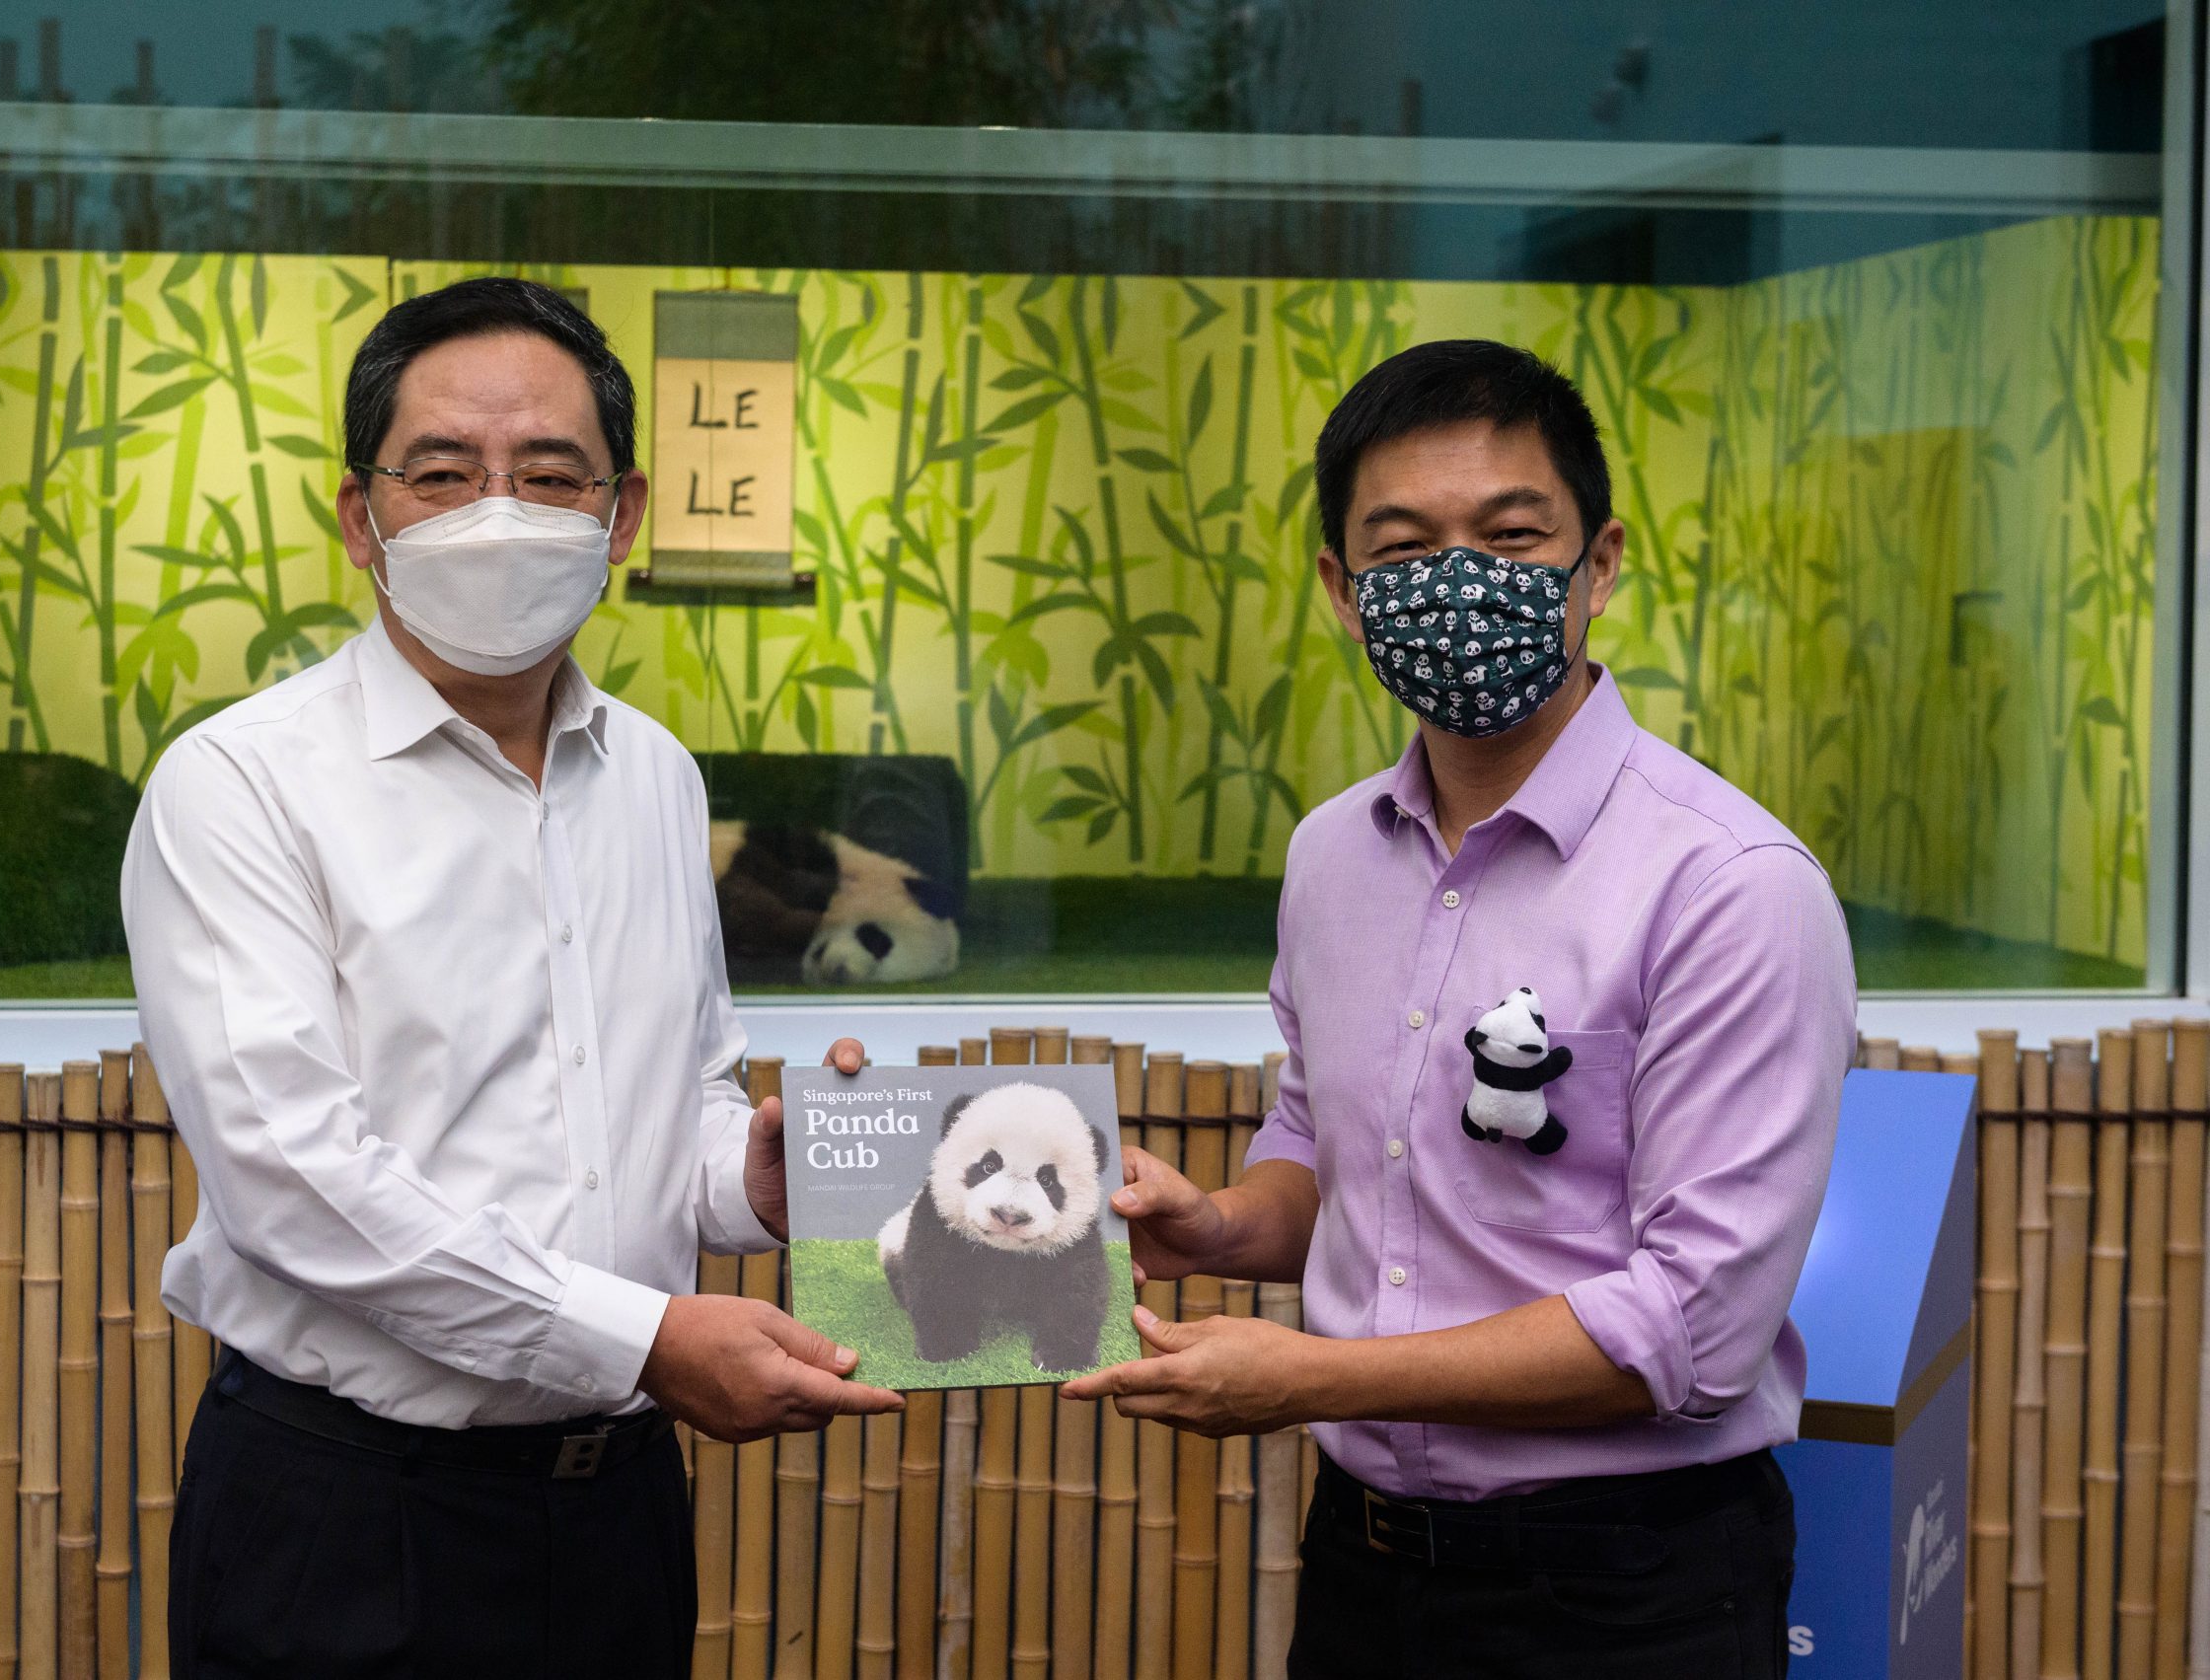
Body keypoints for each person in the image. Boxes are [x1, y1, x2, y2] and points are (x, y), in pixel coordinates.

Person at [122, 276, 901, 1680]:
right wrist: (646, 1339)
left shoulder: (656, 775)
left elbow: (681, 1092)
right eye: (441, 475)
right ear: (361, 517)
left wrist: (749, 1181)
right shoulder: (239, 783)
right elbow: (292, 1179)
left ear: (622, 514)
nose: (497, 513)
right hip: (347, 1519)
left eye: (548, 476)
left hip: (617, 1512)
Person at [1065, 338, 1856, 1679]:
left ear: (1599, 563)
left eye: (1510, 534)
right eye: (1405, 547)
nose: (1459, 580)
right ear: (1343, 589)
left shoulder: (1731, 884)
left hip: (1629, 1590)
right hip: (1364, 1564)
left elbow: (1695, 1327)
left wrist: (1311, 1377)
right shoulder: (1331, 856)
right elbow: (1329, 1146)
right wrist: (1221, 1227)